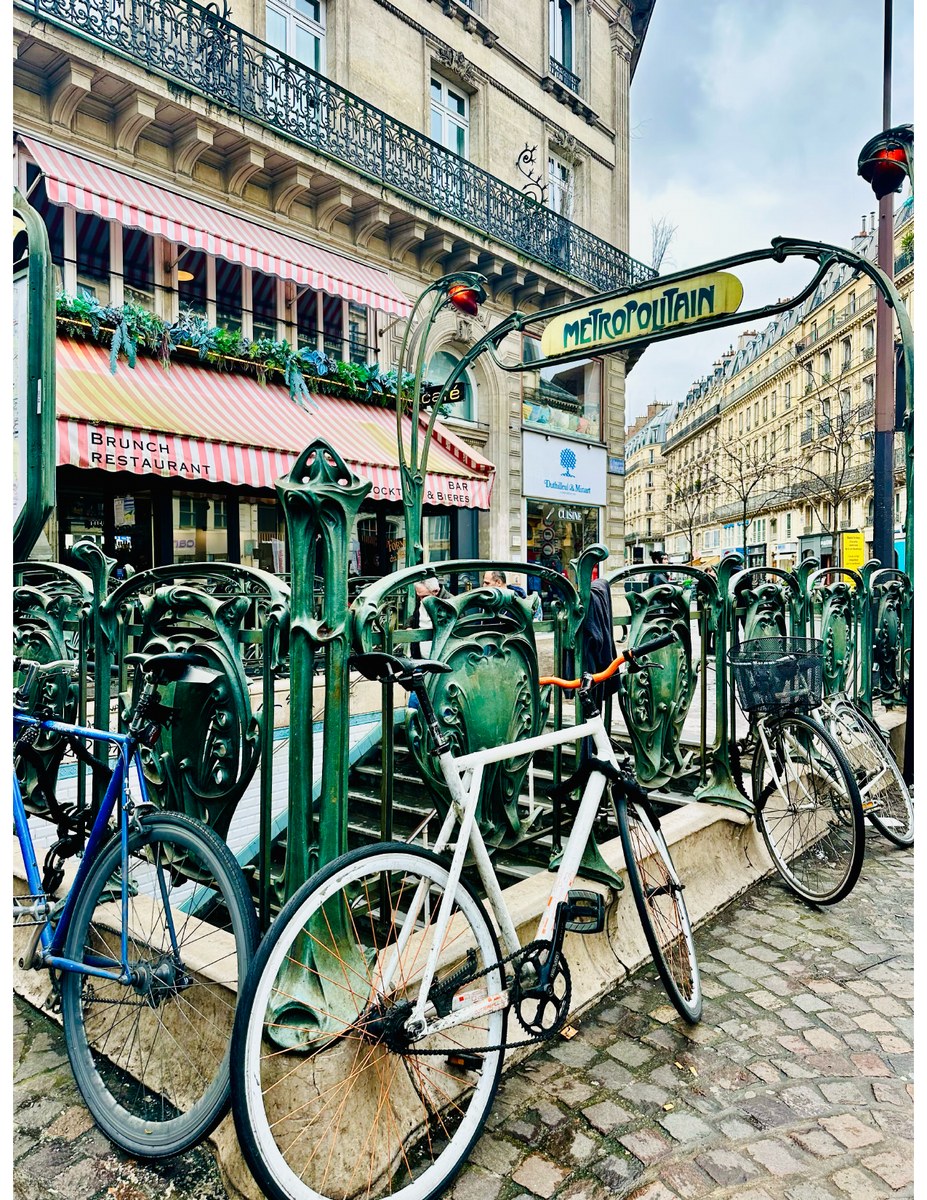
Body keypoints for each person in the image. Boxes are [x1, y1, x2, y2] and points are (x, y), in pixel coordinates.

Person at [410, 573, 450, 658]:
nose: (421, 600)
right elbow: (415, 616)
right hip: (421, 656)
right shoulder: (423, 598)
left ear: (435, 591)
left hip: (441, 657)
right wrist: (408, 625)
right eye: (419, 596)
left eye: (424, 596)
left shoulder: (449, 603)